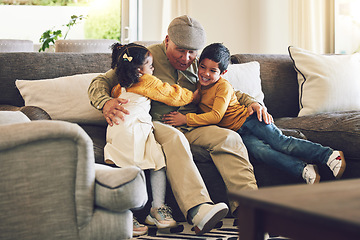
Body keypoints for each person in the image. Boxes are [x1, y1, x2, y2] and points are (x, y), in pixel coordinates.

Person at [88, 15, 267, 235]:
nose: (186, 57)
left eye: (192, 52)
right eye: (180, 50)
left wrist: (254, 102)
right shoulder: (146, 58)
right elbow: (101, 82)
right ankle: (198, 209)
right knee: (175, 138)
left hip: (194, 123)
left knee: (230, 138)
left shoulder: (198, 65)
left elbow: (227, 89)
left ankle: (250, 210)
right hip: (156, 125)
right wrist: (105, 102)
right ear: (167, 41)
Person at [166, 42, 347, 184]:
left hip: (250, 120)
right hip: (237, 132)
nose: (205, 74)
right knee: (261, 152)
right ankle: (302, 169)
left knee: (281, 142)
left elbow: (216, 116)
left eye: (212, 71)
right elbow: (203, 102)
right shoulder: (201, 84)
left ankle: (329, 155)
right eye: (202, 67)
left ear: (223, 72)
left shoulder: (223, 87)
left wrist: (185, 119)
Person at [103, 42, 198, 234]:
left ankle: (142, 212)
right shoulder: (147, 81)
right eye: (150, 65)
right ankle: (150, 209)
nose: (153, 69)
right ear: (140, 70)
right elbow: (172, 95)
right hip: (134, 130)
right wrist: (193, 96)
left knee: (144, 164)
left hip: (118, 130)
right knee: (153, 165)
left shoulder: (118, 87)